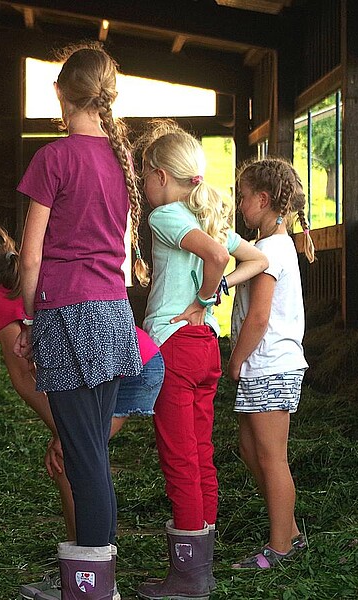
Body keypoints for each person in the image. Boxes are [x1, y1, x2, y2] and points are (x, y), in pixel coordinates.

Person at [0, 224, 164, 600]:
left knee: (72, 461)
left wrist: (61, 433)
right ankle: (87, 569)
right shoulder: (9, 295)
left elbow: (25, 380)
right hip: (134, 360)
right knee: (81, 460)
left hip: (126, 368)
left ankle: (85, 576)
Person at [13, 41, 148, 600]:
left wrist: (27, 320)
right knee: (92, 448)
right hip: (113, 313)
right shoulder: (122, 160)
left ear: (62, 95)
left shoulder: (54, 157)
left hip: (68, 316)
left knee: (84, 453)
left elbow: (30, 254)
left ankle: (92, 587)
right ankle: (96, 577)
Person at [135, 121, 269, 600]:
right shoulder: (209, 215)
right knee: (200, 452)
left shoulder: (166, 215)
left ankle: (188, 578)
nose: (144, 188)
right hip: (206, 346)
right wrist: (217, 298)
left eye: (145, 177)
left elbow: (215, 256)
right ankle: (201, 567)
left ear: (159, 176)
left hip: (173, 343)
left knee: (178, 456)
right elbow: (257, 260)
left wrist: (207, 292)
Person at [227, 157, 315, 569]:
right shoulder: (272, 246)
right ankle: (290, 529)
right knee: (250, 449)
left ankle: (281, 545)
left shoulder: (269, 250)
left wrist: (236, 358)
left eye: (242, 197)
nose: (239, 204)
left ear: (263, 200)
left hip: (269, 365)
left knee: (271, 457)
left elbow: (259, 317)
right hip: (265, 366)